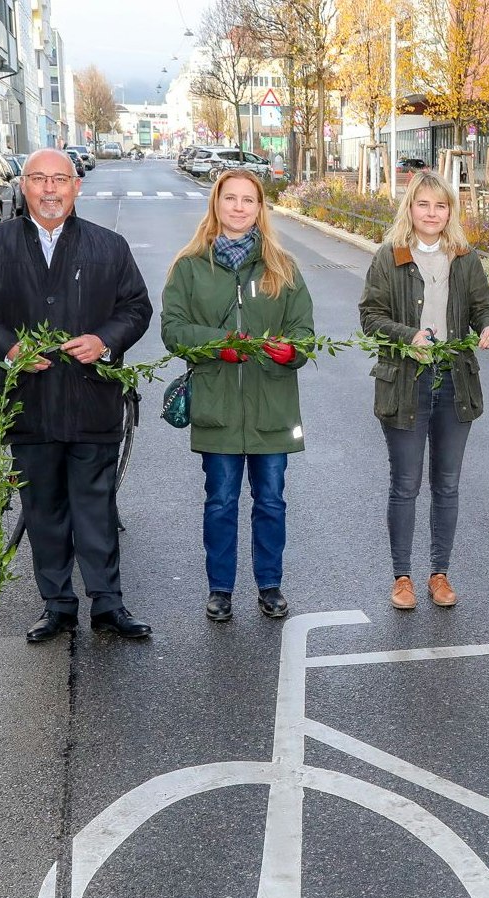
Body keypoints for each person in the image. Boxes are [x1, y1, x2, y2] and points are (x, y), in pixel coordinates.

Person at [0, 148, 155, 642]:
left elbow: (136, 306)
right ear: (23, 186)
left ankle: (108, 604)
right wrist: (9, 348)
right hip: (30, 401)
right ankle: (57, 604)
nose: (49, 189)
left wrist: (105, 340)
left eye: (59, 179)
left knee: (95, 507)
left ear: (76, 186)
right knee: (43, 507)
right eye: (39, 179)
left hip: (92, 401)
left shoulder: (109, 247)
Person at [160, 169, 315, 623]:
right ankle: (220, 589)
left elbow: (304, 332)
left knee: (271, 500)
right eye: (231, 198)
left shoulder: (282, 267)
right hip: (218, 406)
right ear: (216, 204)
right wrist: (217, 344)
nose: (240, 207)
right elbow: (172, 330)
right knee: (221, 500)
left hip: (273, 406)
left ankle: (270, 585)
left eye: (249, 200)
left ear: (260, 209)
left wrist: (293, 351)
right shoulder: (190, 267)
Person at [359, 171, 489, 610]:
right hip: (405, 382)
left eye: (441, 206)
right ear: (410, 208)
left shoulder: (464, 257)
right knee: (405, 484)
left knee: (447, 484)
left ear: (450, 211)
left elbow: (485, 305)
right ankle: (401, 577)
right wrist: (408, 335)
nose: (432, 213)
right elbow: (370, 315)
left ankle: (439, 574)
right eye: (424, 205)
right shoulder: (391, 256)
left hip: (455, 382)